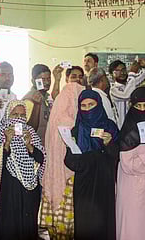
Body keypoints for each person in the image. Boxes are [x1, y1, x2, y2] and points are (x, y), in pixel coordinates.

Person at [64, 90, 119, 240]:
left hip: (104, 182)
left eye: (91, 105)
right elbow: (69, 161)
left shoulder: (110, 127)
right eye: (84, 106)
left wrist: (109, 144)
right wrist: (74, 149)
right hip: (84, 185)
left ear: (99, 105)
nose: (88, 109)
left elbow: (117, 156)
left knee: (104, 223)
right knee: (85, 224)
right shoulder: (76, 130)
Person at [0, 100, 45, 240]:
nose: (18, 119)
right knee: (10, 225)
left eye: (22, 115)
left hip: (30, 188)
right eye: (15, 114)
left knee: (28, 225)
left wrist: (29, 145)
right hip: (9, 188)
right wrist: (7, 142)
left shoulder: (30, 132)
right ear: (8, 115)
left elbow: (41, 158)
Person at [40, 82, 84, 239]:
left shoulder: (57, 116)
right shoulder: (69, 120)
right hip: (68, 172)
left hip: (54, 171)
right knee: (67, 218)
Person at [116, 87, 145, 240]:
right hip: (132, 188)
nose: (142, 110)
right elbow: (128, 165)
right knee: (133, 227)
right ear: (132, 107)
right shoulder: (129, 132)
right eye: (138, 106)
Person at [109, 60, 145, 128]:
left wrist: (144, 66)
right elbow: (126, 95)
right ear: (112, 75)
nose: (122, 73)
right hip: (122, 128)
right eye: (117, 70)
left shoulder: (130, 83)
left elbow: (142, 77)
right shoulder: (113, 90)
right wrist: (132, 73)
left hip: (135, 126)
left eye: (123, 69)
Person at [23, 64, 53, 143]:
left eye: (49, 78)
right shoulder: (29, 100)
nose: (47, 82)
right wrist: (37, 105)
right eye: (43, 79)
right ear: (33, 81)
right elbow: (28, 128)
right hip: (34, 147)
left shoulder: (47, 96)